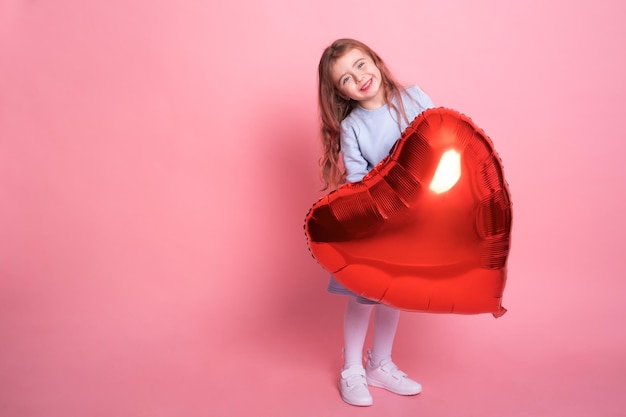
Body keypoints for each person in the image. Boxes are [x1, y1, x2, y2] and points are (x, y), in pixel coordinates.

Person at [316, 38, 435, 407]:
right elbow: (357, 177)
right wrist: (381, 203)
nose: (360, 78)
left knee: (392, 292)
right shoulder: (353, 127)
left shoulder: (414, 98)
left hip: (413, 219)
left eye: (361, 65)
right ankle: (352, 367)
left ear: (376, 61)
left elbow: (440, 140)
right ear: (341, 92)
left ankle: (379, 364)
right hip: (376, 221)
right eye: (347, 79)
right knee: (363, 295)